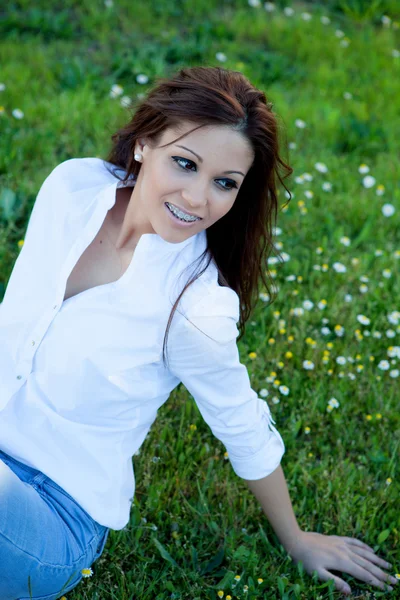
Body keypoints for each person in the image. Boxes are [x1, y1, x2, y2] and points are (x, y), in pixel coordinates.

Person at [0, 66, 397, 599]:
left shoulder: (196, 307)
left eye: (224, 183)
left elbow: (241, 423)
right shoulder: (72, 189)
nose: (196, 198)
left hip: (53, 517)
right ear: (144, 143)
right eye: (184, 164)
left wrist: (297, 539)